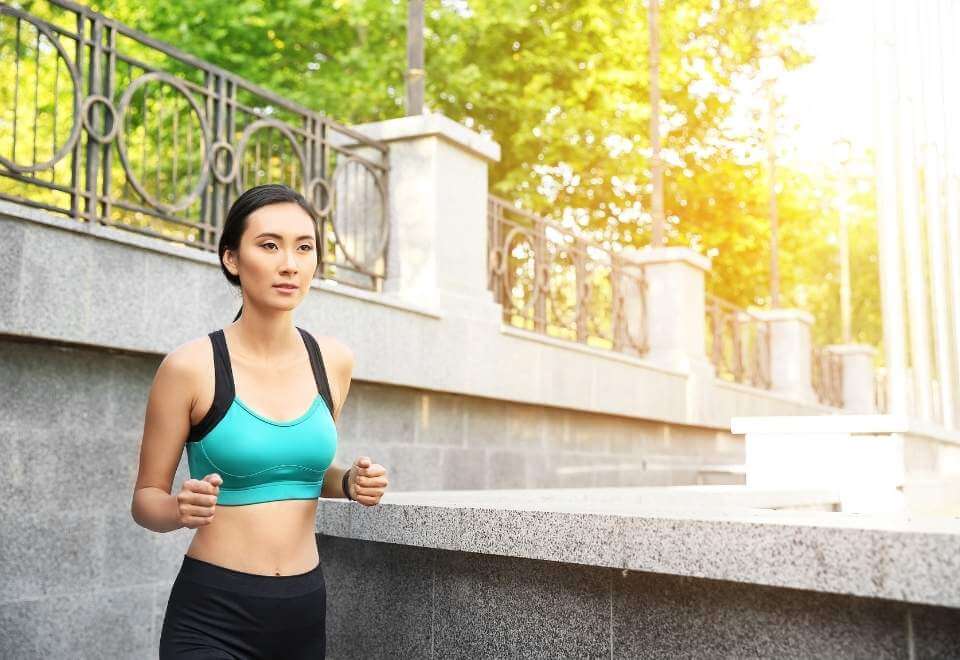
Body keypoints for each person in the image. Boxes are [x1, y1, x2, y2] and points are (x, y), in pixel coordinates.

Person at [130, 183, 389, 659]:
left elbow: (299, 473)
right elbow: (145, 499)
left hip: (303, 612)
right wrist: (177, 510)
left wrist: (349, 481)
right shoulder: (190, 367)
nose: (289, 263)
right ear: (232, 258)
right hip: (212, 615)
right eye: (269, 245)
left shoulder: (332, 361)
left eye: (304, 247)